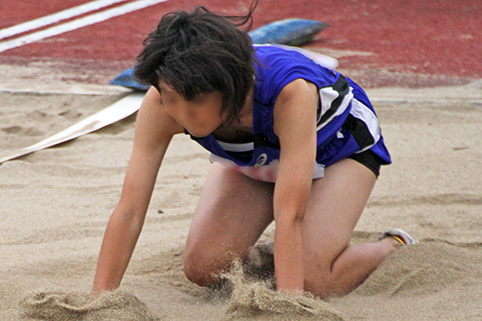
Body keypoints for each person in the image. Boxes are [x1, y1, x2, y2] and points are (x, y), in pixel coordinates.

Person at [91, 3, 417, 300]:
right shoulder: (162, 103)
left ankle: (391, 245)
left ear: (229, 87)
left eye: (197, 103)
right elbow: (130, 208)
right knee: (205, 268)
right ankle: (288, 255)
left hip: (337, 148)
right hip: (256, 155)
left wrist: (289, 304)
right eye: (172, 98)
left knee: (313, 283)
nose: (182, 114)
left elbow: (289, 212)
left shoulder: (290, 93)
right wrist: (99, 299)